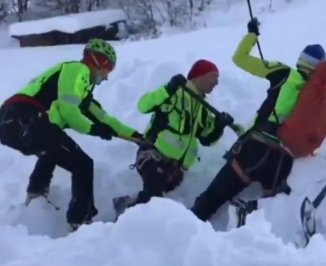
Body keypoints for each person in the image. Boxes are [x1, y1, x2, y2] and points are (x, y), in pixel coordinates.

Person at [190, 17, 326, 225]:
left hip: (255, 148)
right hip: (281, 161)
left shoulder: (283, 72)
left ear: (300, 60)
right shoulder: (317, 96)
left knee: (213, 196)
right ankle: (253, 212)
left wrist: (252, 35)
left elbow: (240, 58)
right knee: (271, 212)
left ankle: (186, 229)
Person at [0, 38, 142, 231]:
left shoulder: (82, 94)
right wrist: (93, 129)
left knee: (52, 149)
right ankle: (80, 221)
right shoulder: (77, 70)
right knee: (83, 164)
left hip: (15, 126)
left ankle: (35, 197)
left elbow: (106, 120)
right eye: (108, 71)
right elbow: (69, 111)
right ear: (98, 62)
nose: (106, 78)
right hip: (23, 118)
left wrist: (136, 136)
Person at [112, 59, 235, 217]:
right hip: (153, 156)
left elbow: (207, 139)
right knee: (154, 198)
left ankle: (127, 205)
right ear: (200, 76)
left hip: (175, 170)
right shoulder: (175, 92)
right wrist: (168, 89)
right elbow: (143, 106)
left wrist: (219, 126)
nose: (216, 83)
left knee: (153, 199)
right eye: (213, 77)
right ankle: (129, 222)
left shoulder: (203, 109)